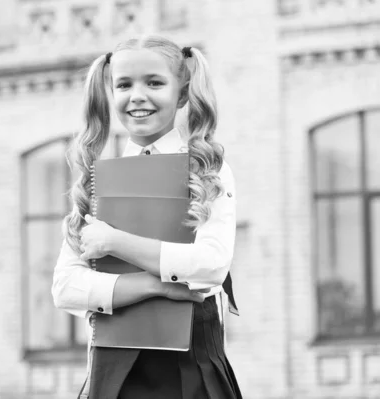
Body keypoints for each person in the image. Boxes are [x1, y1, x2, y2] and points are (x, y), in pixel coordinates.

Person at [52, 34, 243, 399]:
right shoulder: (96, 178)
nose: (137, 95)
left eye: (154, 82)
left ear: (182, 93)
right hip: (114, 375)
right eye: (124, 84)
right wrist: (157, 286)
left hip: (189, 370)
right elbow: (66, 287)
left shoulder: (207, 173)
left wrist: (114, 242)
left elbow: (211, 266)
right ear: (111, 93)